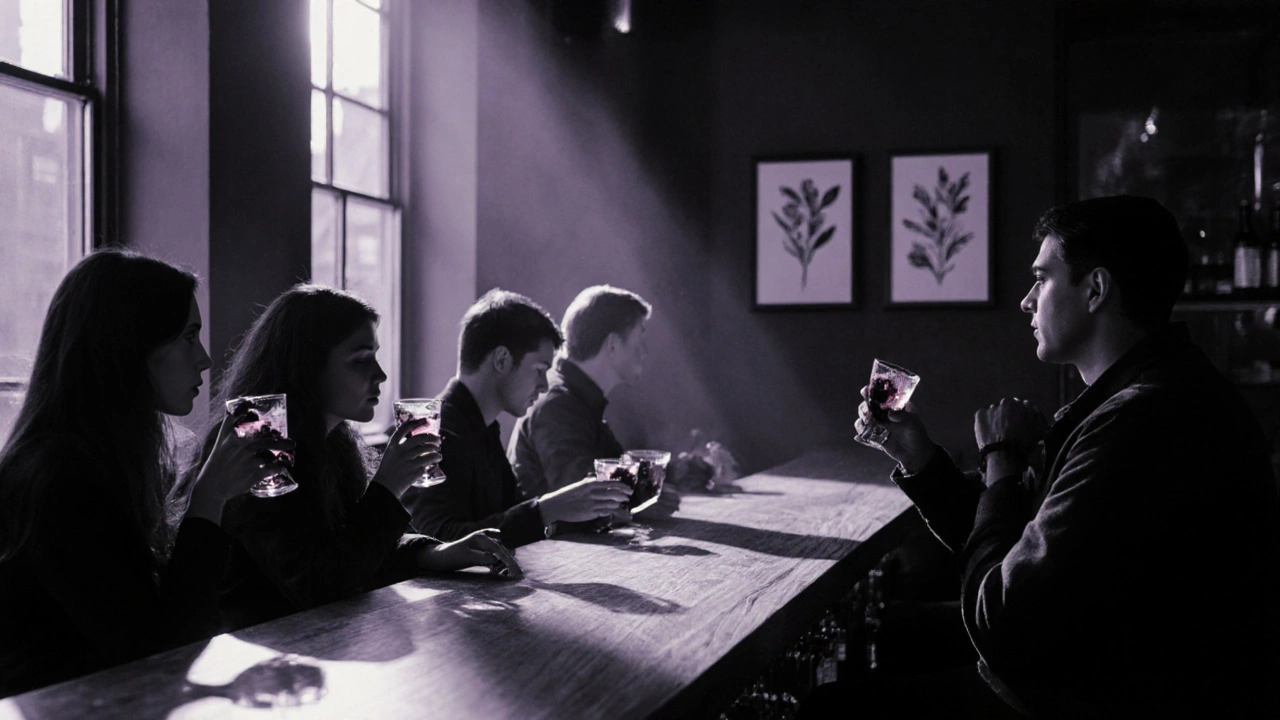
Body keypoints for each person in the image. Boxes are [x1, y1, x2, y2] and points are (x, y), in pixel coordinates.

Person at [851, 195, 1279, 718]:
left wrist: (1001, 459)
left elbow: (1001, 619)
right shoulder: (1146, 394)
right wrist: (916, 455)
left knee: (830, 705)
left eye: (1042, 278)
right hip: (1071, 674)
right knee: (884, 637)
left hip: (1084, 699)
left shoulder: (1143, 421)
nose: (1027, 301)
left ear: (1095, 289)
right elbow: (1013, 545)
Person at [0, 250, 290, 697]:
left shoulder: (110, 460)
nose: (206, 359)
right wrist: (209, 499)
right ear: (130, 347)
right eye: (189, 337)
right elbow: (157, 652)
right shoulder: (59, 479)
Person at [194, 284, 521, 631]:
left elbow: (362, 548)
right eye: (362, 360)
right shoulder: (258, 442)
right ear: (308, 366)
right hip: (266, 662)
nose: (379, 374)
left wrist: (437, 553)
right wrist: (388, 486)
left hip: (318, 644)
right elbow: (320, 585)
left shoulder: (335, 441)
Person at [402, 289, 632, 548]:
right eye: (539, 370)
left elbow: (509, 513)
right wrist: (546, 510)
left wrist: (586, 513)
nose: (544, 386)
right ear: (501, 360)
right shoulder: (430, 432)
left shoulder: (482, 428)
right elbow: (436, 540)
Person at [508, 285, 678, 523]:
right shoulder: (558, 406)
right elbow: (586, 501)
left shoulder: (578, 401)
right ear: (612, 345)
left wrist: (683, 473)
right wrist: (644, 498)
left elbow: (624, 479)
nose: (645, 352)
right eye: (640, 338)